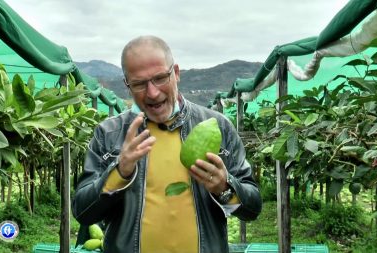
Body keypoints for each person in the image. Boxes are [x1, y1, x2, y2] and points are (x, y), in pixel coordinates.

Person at [72, 35, 262, 253]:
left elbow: (252, 209)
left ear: (176, 73)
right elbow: (83, 212)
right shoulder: (109, 133)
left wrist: (224, 187)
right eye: (139, 84)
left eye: (160, 78)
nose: (152, 92)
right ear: (127, 85)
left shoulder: (217, 126)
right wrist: (119, 171)